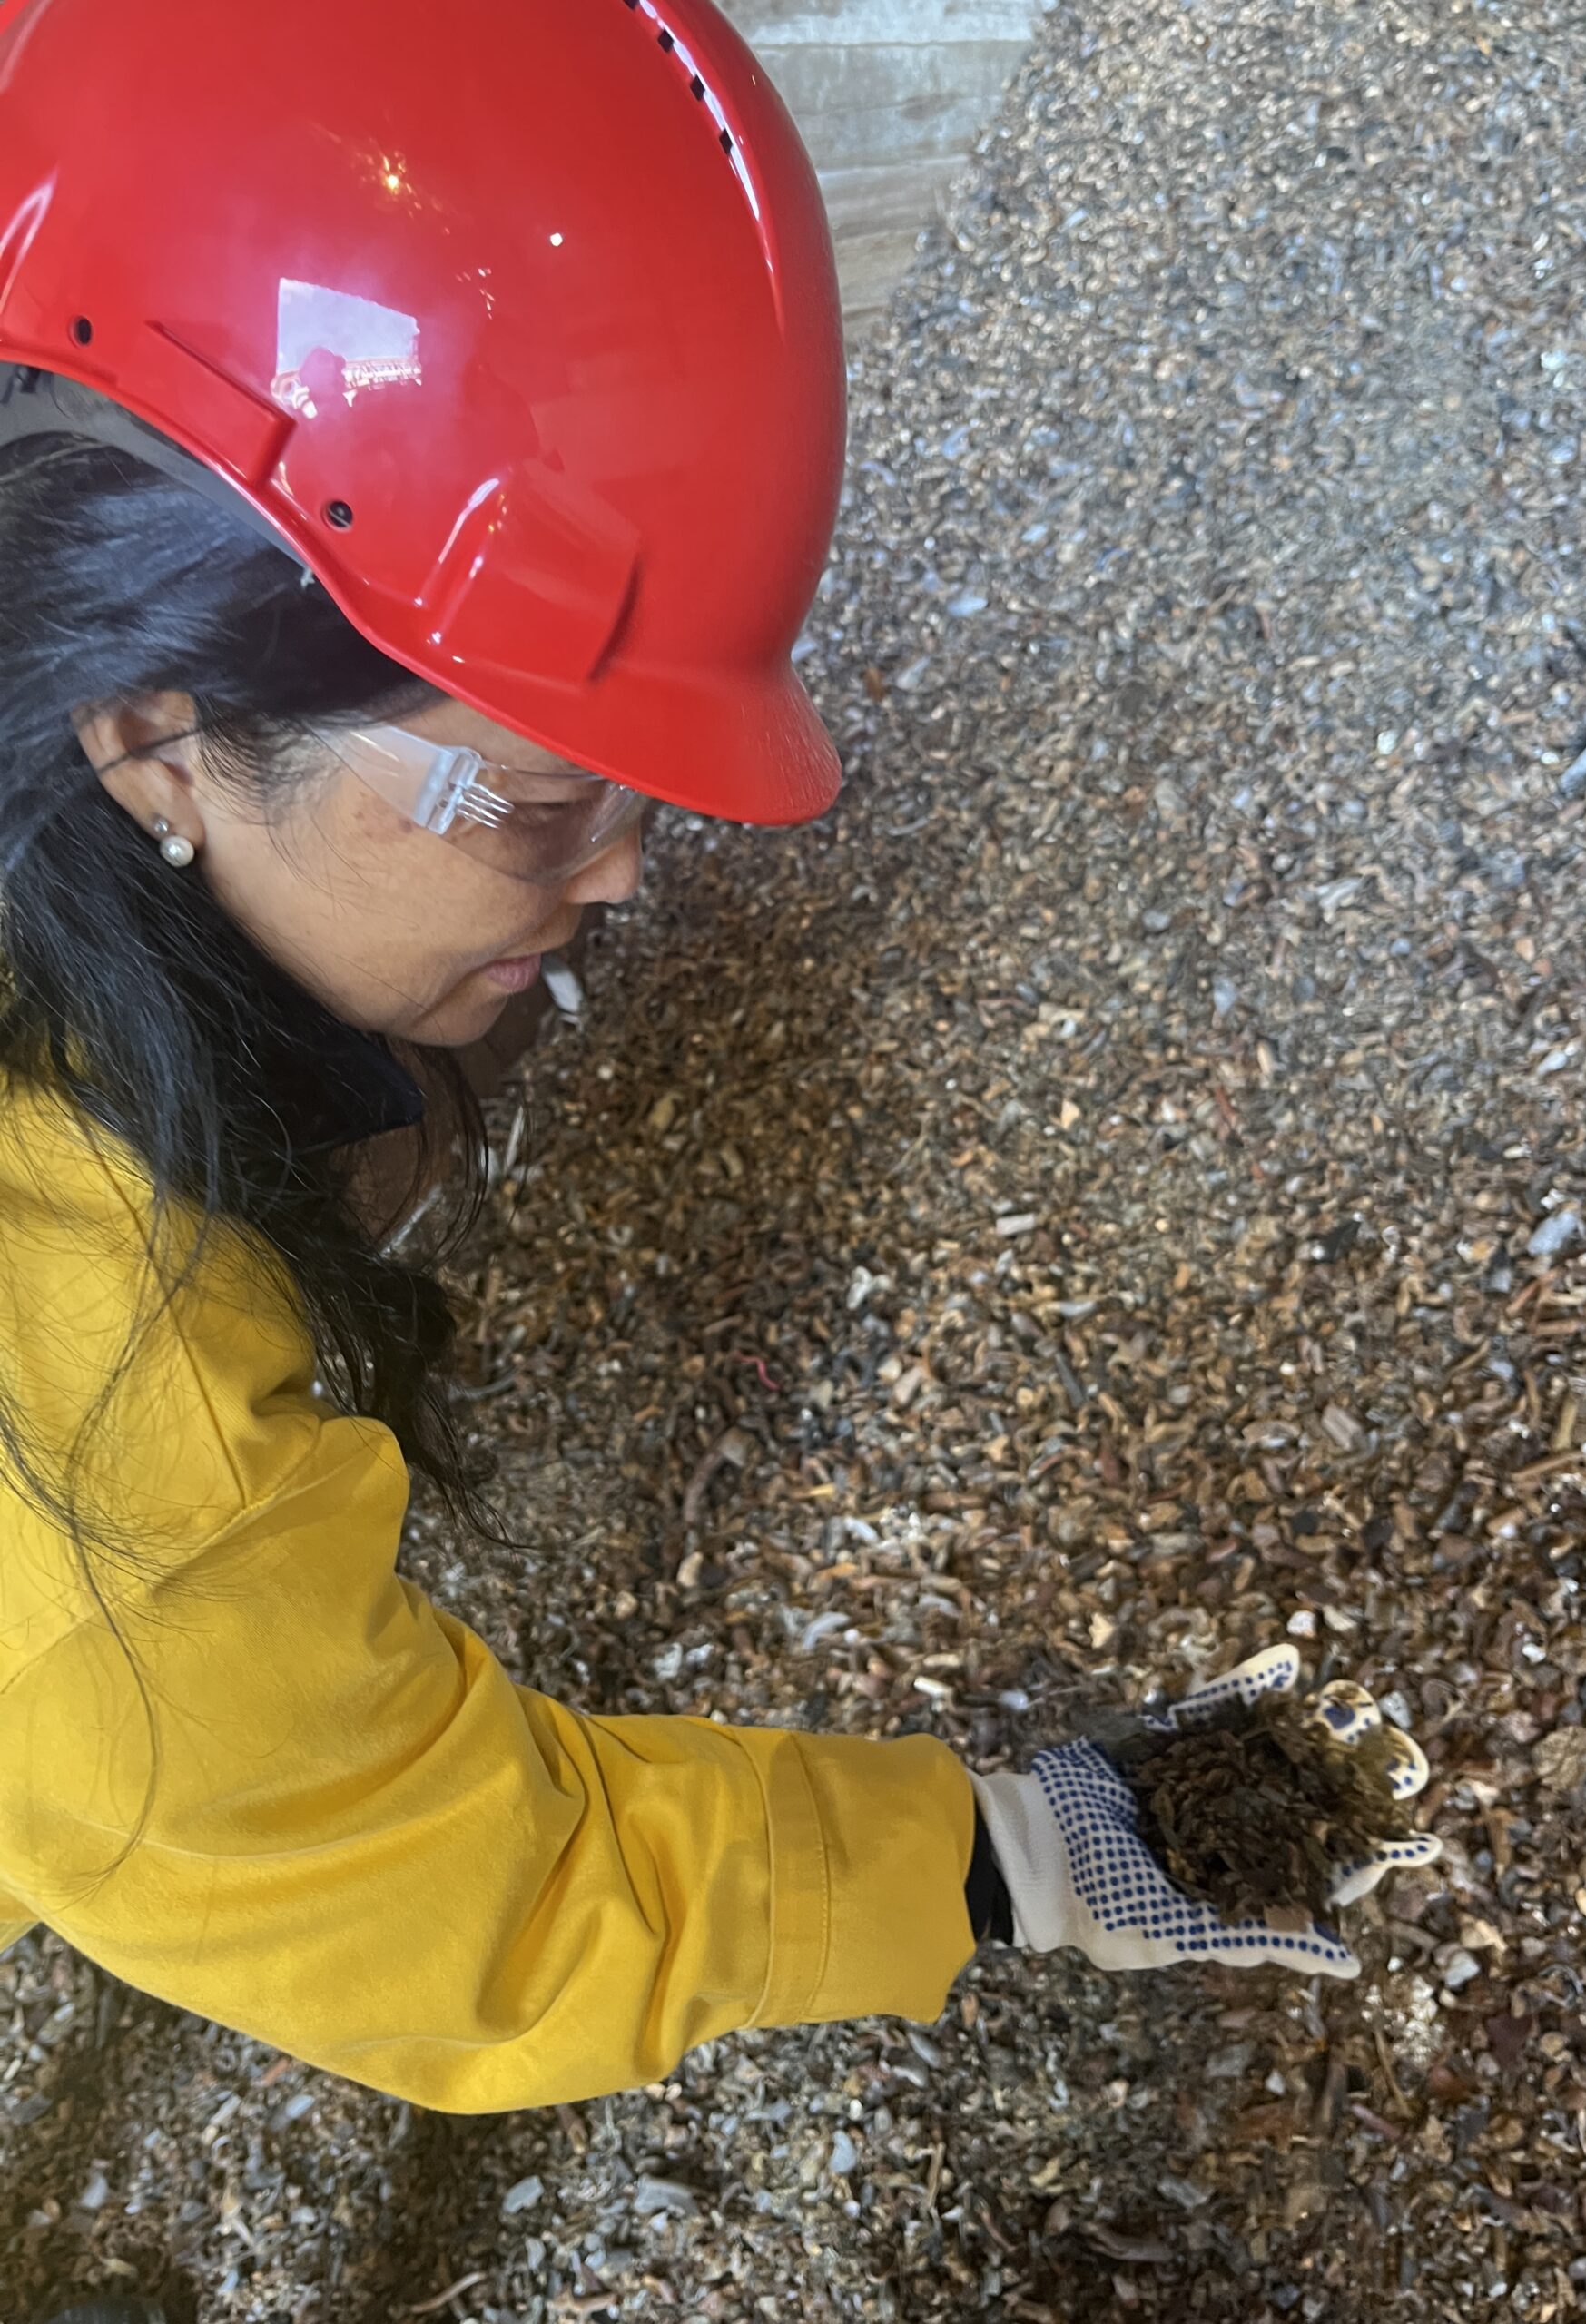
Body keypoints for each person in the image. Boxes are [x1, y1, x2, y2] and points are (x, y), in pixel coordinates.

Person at [0, 2, 1440, 2316]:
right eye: (549, 803)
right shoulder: (103, 1463)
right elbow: (473, 1897)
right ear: (156, 727)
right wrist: (1002, 1859)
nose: (632, 879)